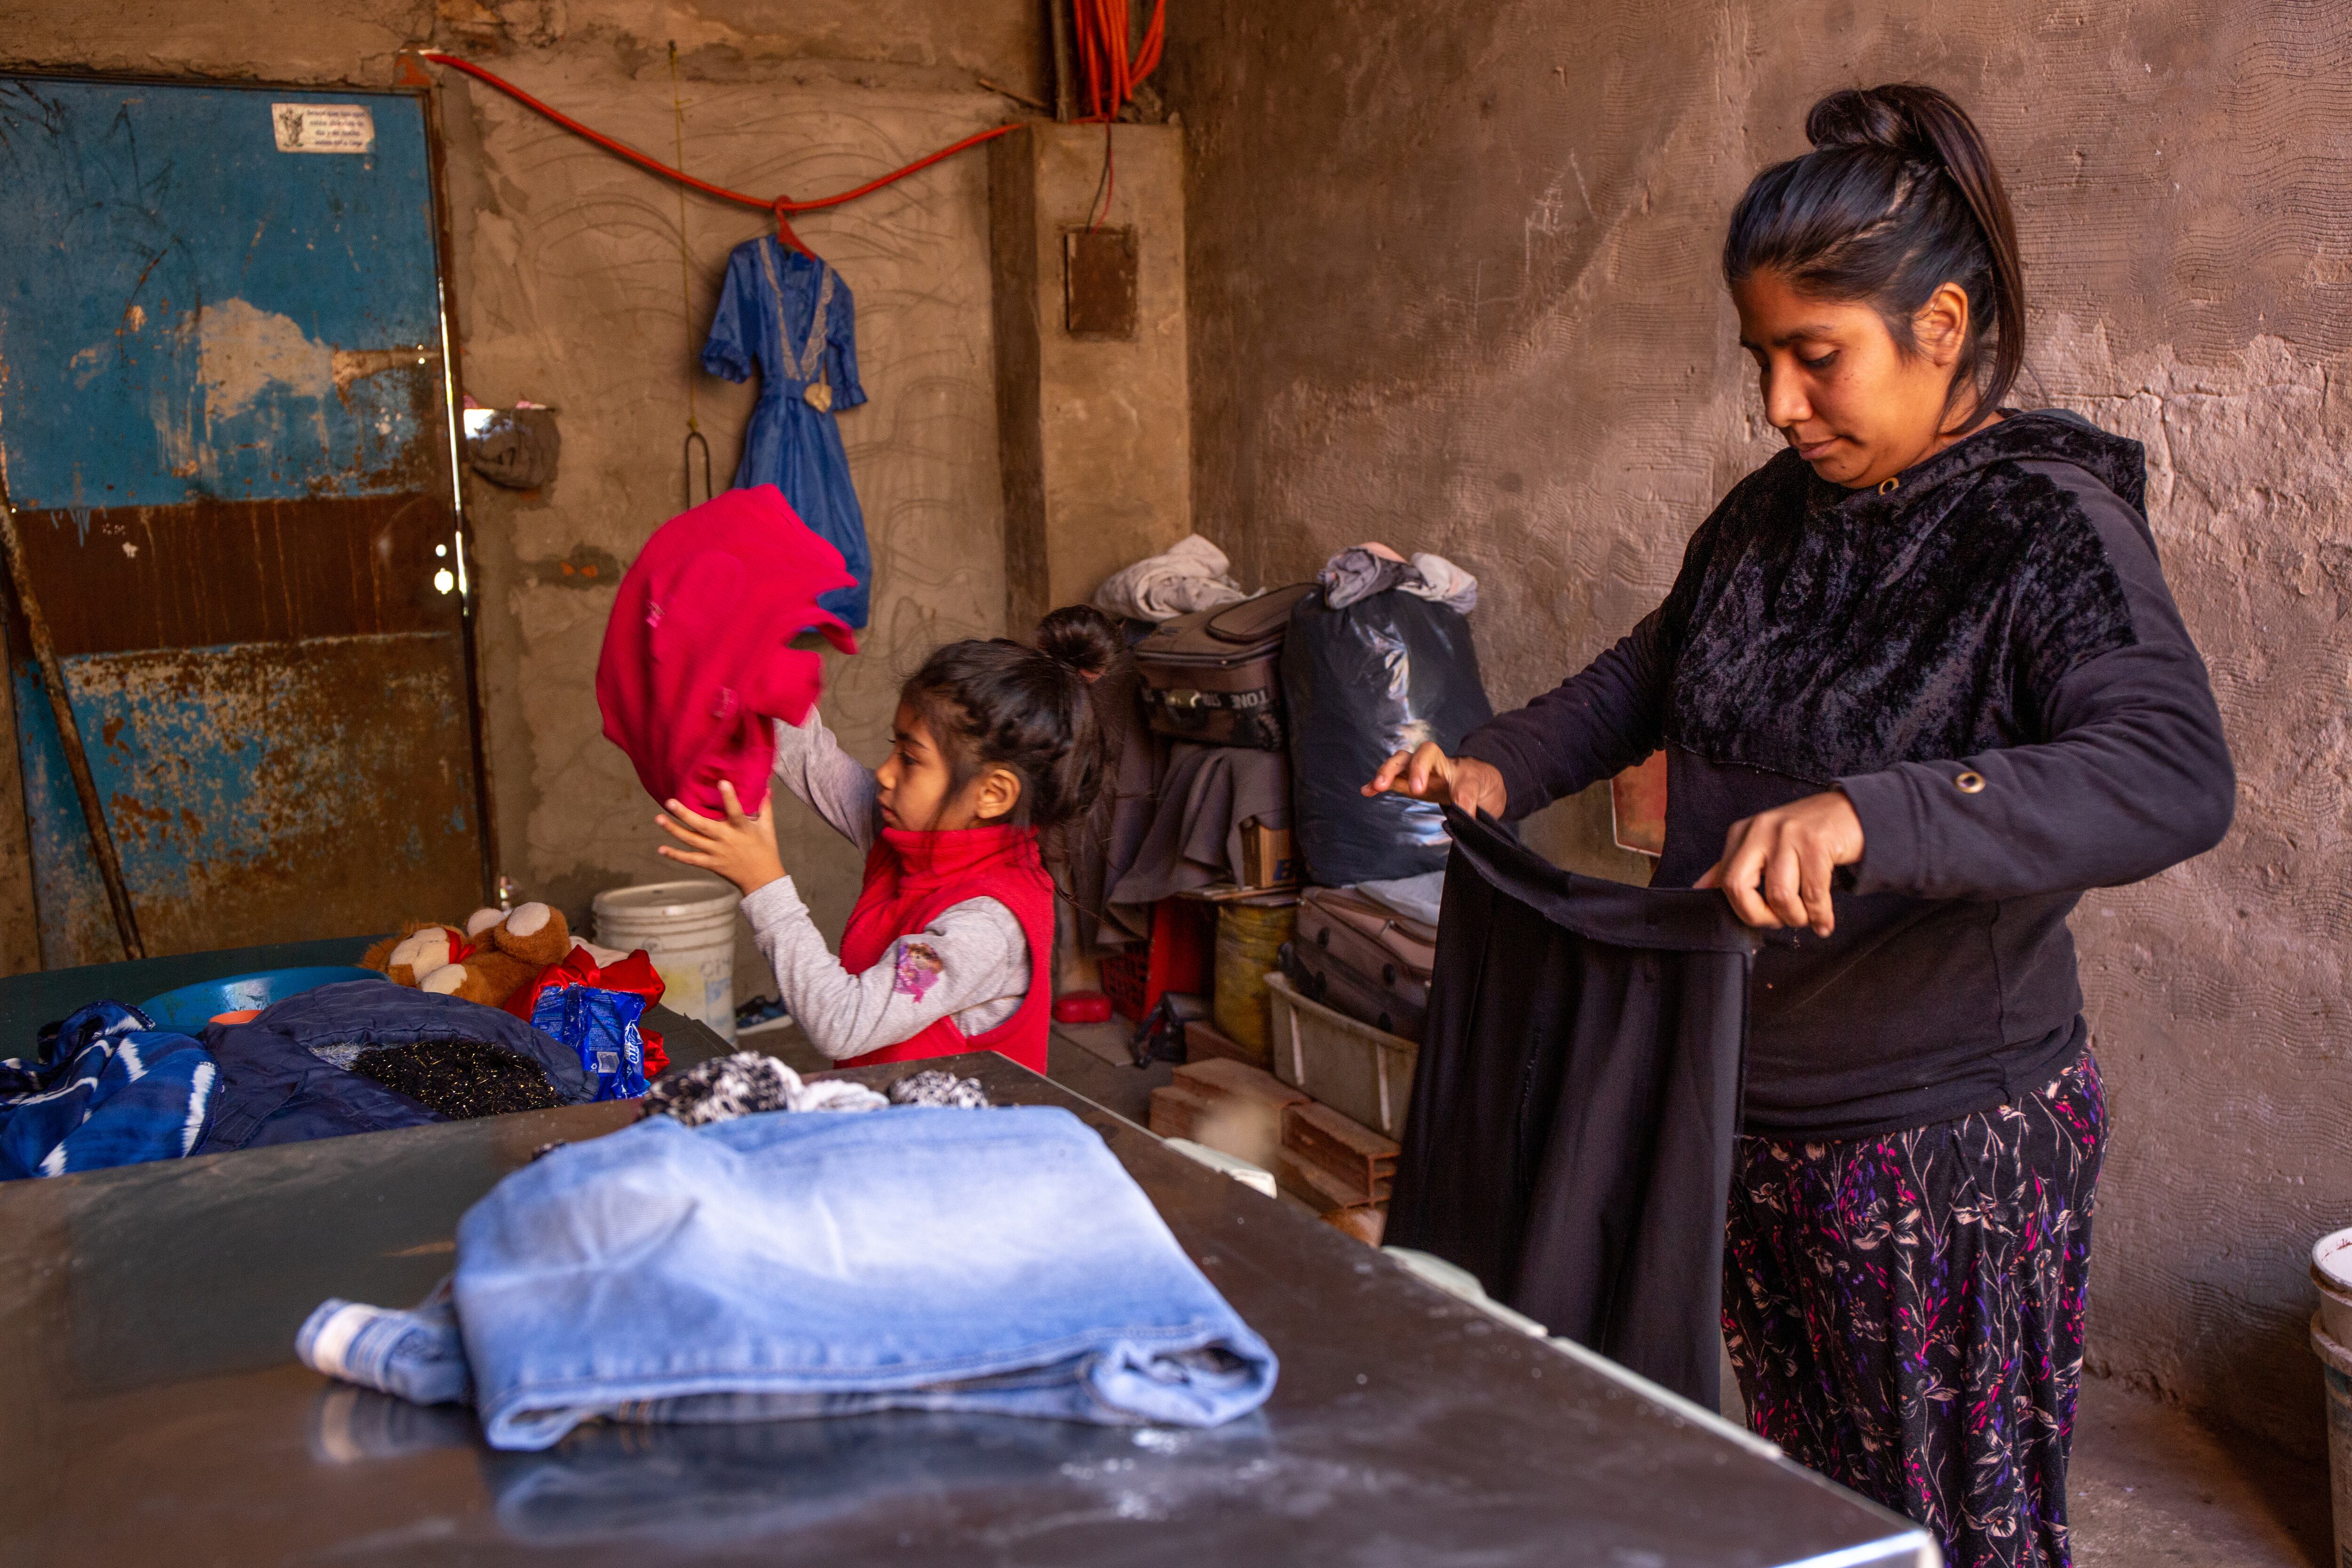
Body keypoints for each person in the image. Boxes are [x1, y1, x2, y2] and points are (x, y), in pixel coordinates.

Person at [1367, 83, 2233, 1568]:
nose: (1777, 401)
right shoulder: (1769, 517)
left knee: (1949, 1532)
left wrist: (1873, 813)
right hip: (1746, 1107)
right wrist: (1495, 766)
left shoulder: (2041, 529)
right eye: (1761, 358)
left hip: (1935, 1151)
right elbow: (1648, 675)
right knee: (1817, 1516)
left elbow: (2166, 768)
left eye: (1814, 357)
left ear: (1942, 326)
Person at [653, 611, 1118, 1074]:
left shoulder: (983, 927)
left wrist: (763, 885)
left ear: (992, 794)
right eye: (893, 748)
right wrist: (749, 663)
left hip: (950, 1144)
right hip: (885, 1116)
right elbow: (811, 759)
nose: (885, 772)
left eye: (910, 759)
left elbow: (843, 1022)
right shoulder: (912, 833)